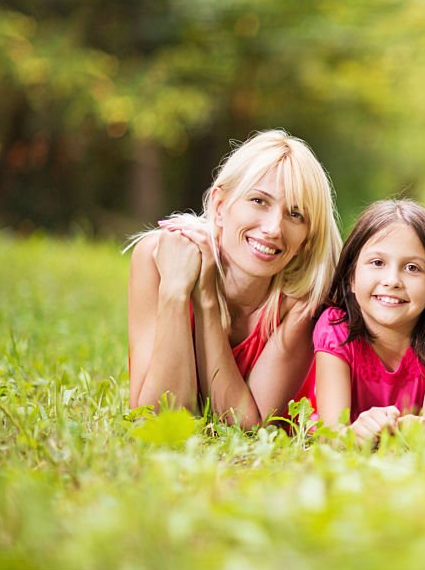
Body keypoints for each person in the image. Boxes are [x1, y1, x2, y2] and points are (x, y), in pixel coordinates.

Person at [128, 130, 342, 428]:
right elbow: (159, 416)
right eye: (258, 201)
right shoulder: (157, 257)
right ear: (219, 207)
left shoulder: (301, 302)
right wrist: (176, 292)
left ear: (307, 238)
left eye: (295, 215)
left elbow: (248, 426)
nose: (273, 228)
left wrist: (206, 298)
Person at [312, 199, 425, 446]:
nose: (392, 280)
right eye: (377, 263)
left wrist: (417, 429)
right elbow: (331, 434)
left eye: (412, 267)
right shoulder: (336, 328)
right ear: (352, 277)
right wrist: (355, 433)